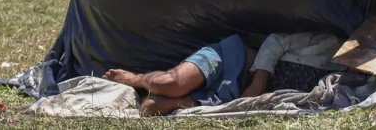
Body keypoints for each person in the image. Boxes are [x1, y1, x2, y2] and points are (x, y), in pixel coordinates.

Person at [103, 32, 343, 116]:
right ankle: (137, 79)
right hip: (231, 59)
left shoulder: (347, 79)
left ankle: (175, 99)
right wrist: (260, 80)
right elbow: (276, 40)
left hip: (232, 95)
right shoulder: (333, 44)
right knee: (171, 82)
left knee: (150, 109)